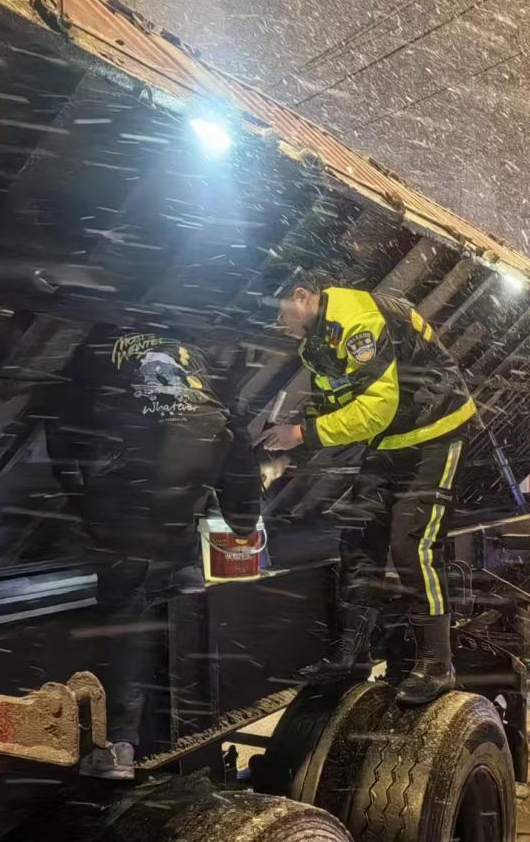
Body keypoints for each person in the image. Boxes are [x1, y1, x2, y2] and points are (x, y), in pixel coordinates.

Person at [46, 323, 260, 777]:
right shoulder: (198, 365)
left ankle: (119, 746)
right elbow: (235, 437)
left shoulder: (99, 350)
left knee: (127, 627)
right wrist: (243, 515)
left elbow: (63, 429)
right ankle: (196, 738)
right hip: (179, 518)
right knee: (186, 622)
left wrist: (84, 505)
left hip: (124, 517)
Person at [255, 275, 476, 705]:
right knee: (358, 536)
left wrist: (301, 434)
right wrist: (291, 452)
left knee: (412, 545)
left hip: (436, 432)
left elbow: (377, 407)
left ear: (301, 296)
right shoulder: (314, 343)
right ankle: (353, 653)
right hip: (391, 440)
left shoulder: (356, 321)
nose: (279, 324)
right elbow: (336, 404)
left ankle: (437, 664)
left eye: (279, 313)